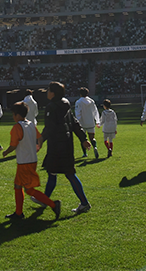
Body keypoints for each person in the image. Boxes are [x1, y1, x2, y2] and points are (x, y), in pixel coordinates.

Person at [3, 101, 61, 220]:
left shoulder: (17, 127)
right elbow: (39, 138)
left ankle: (53, 204)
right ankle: (19, 213)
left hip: (24, 162)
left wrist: (6, 152)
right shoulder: (30, 124)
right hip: (32, 160)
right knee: (18, 185)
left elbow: (14, 145)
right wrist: (38, 147)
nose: (13, 117)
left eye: (13, 114)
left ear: (17, 115)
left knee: (28, 189)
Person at [40, 81, 92, 214]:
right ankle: (45, 200)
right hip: (67, 144)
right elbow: (75, 123)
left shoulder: (51, 107)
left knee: (57, 172)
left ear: (53, 93)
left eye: (49, 90)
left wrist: (39, 140)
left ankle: (83, 203)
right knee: (63, 172)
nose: (47, 92)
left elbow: (49, 127)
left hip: (56, 145)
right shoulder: (66, 105)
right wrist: (83, 139)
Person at [75, 87, 100, 159]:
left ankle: (85, 153)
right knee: (92, 137)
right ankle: (94, 147)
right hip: (91, 122)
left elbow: (78, 113)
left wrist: (77, 121)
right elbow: (95, 111)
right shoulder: (91, 101)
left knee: (83, 138)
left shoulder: (79, 102)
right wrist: (97, 120)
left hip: (82, 123)